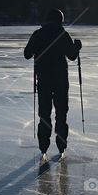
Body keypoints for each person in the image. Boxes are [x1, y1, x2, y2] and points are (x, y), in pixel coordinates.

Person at [24, 9, 82, 165]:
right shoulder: (63, 34)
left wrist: (37, 47)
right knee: (61, 114)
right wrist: (77, 47)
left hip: (43, 80)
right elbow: (72, 56)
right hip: (61, 81)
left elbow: (27, 54)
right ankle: (61, 148)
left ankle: (43, 148)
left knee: (44, 115)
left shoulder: (38, 34)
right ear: (60, 20)